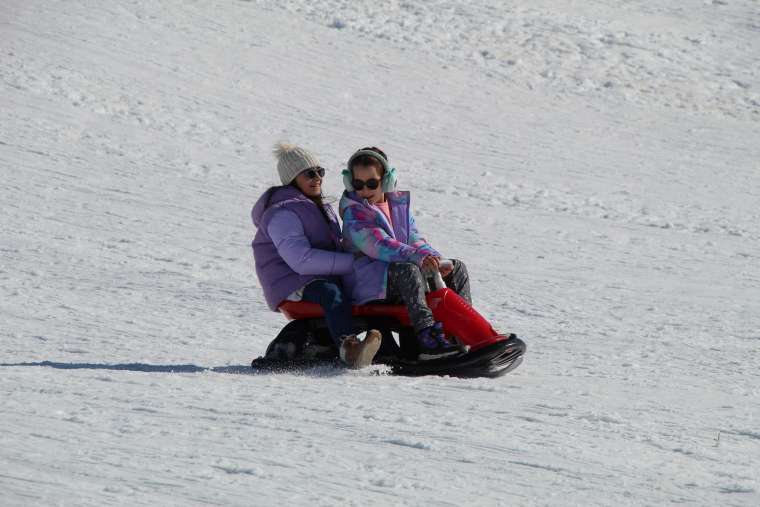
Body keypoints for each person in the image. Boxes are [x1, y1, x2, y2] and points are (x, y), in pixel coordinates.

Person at [251, 142, 380, 368]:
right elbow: (301, 260)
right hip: (290, 281)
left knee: (369, 287)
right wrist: (351, 263)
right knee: (331, 294)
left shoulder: (319, 205)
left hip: (317, 275)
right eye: (309, 174)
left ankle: (389, 342)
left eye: (320, 172)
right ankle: (349, 347)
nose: (317, 177)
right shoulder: (282, 213)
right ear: (292, 179)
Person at [339, 146, 472, 360]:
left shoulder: (397, 206)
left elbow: (414, 238)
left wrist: (435, 259)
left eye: (371, 183)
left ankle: (464, 331)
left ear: (387, 180)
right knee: (409, 270)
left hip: (395, 273)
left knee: (456, 268)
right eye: (358, 184)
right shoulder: (354, 212)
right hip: (369, 282)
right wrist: (418, 258)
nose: (364, 189)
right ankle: (427, 337)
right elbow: (378, 244)